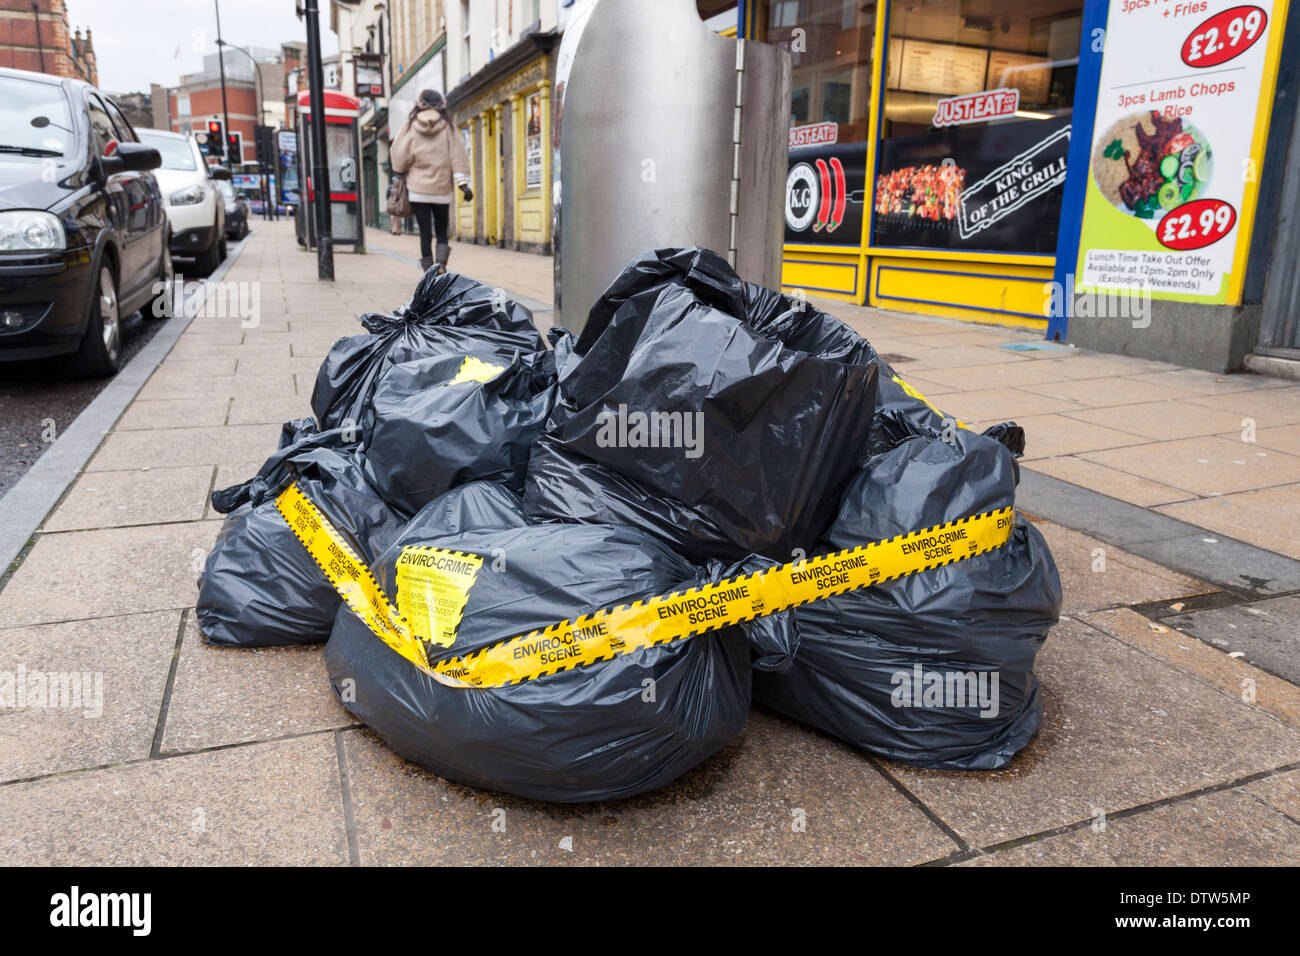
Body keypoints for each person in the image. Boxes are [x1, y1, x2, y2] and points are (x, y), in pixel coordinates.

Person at [390, 89, 472, 273]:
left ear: (420, 103)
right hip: (442, 190)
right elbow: (457, 156)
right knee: (442, 230)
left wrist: (402, 169)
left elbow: (399, 153)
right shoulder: (448, 127)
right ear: (440, 104)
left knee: (425, 233)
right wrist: (462, 183)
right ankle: (441, 265)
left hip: (417, 190)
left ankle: (429, 272)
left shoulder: (410, 126)